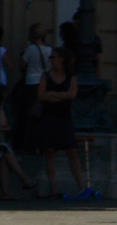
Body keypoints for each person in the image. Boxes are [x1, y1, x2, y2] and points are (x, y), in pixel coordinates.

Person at [37, 45, 92, 200]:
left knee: (72, 151)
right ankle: (53, 188)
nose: (51, 60)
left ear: (61, 59)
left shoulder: (70, 77)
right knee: (49, 151)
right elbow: (41, 96)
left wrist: (53, 94)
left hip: (64, 118)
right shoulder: (46, 76)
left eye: (53, 57)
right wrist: (62, 95)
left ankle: (82, 187)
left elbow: (72, 95)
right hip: (49, 117)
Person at [16, 22, 55, 150]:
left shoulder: (30, 49)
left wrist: (22, 52)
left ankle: (29, 144)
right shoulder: (49, 50)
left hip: (31, 83)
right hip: (44, 83)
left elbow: (21, 65)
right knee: (42, 114)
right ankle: (41, 143)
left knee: (30, 114)